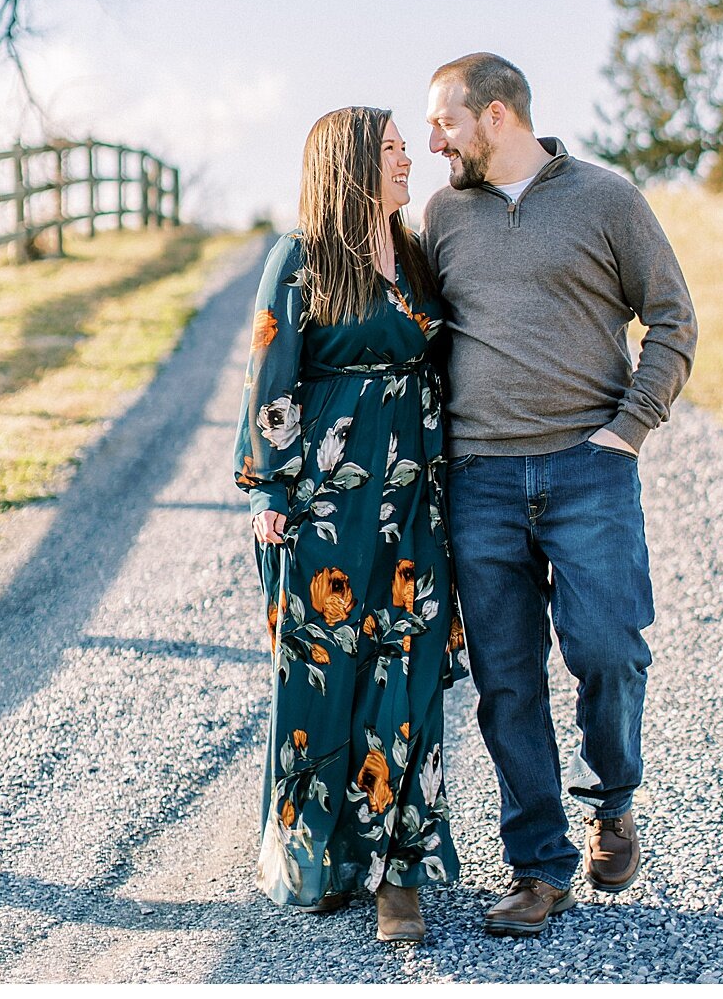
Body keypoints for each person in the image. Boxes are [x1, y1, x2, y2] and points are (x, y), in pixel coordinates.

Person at [422, 53, 697, 938]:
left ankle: (614, 802)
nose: (435, 142)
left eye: (446, 123)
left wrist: (627, 430)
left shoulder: (606, 198)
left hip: (589, 470)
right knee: (505, 682)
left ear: (496, 116)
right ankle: (539, 869)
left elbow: (673, 318)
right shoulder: (443, 216)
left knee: (608, 647)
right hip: (482, 481)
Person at [233, 106, 468, 943]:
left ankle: (398, 873)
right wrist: (267, 494)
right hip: (325, 511)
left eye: (408, 147)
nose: (410, 158)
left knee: (404, 672)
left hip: (412, 504)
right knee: (323, 683)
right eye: (395, 148)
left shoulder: (413, 253)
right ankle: (317, 853)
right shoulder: (297, 259)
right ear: (352, 163)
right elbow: (270, 380)